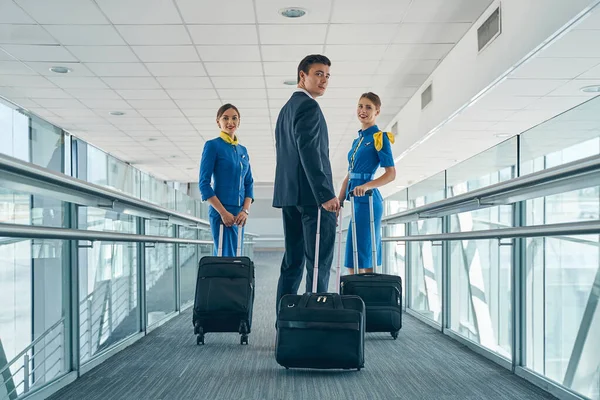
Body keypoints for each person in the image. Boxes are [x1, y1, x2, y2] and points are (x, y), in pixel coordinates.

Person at [273, 54, 340, 309]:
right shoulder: (309, 106)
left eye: (327, 76)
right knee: (319, 262)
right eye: (318, 74)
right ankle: (314, 320)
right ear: (303, 75)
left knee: (293, 261)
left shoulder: (286, 110)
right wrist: (325, 195)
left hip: (290, 197)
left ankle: (286, 320)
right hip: (313, 199)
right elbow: (310, 153)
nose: (324, 80)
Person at [337, 92, 396, 274]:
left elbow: (391, 174)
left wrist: (367, 185)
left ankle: (367, 297)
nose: (363, 110)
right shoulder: (358, 141)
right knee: (353, 254)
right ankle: (354, 297)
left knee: (364, 253)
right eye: (360, 106)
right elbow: (350, 174)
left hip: (369, 200)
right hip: (356, 200)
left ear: (377, 111)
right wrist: (338, 201)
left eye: (368, 107)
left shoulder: (380, 138)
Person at [199, 104, 254, 257]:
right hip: (221, 212)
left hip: (239, 214)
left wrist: (245, 211)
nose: (230, 122)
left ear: (239, 122)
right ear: (218, 122)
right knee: (225, 258)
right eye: (225, 118)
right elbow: (204, 184)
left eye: (234, 118)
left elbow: (249, 183)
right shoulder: (213, 146)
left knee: (237, 257)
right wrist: (223, 212)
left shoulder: (243, 150)